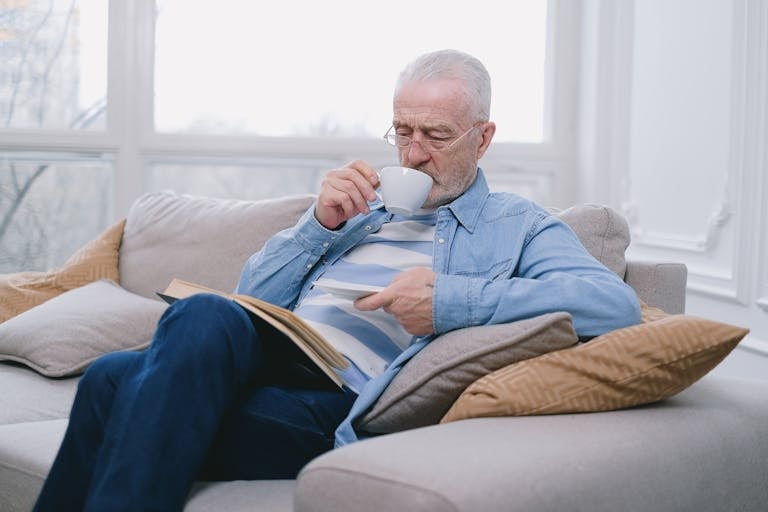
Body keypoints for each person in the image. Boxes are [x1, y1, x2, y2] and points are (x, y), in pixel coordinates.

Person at [33, 49, 641, 511]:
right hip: (264, 363)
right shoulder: (358, 210)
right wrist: (317, 227)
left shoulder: (520, 226)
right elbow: (254, 299)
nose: (414, 155)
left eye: (436, 135)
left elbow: (612, 306)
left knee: (115, 381)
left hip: (338, 402)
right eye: (403, 132)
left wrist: (450, 300)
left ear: (483, 138)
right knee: (192, 325)